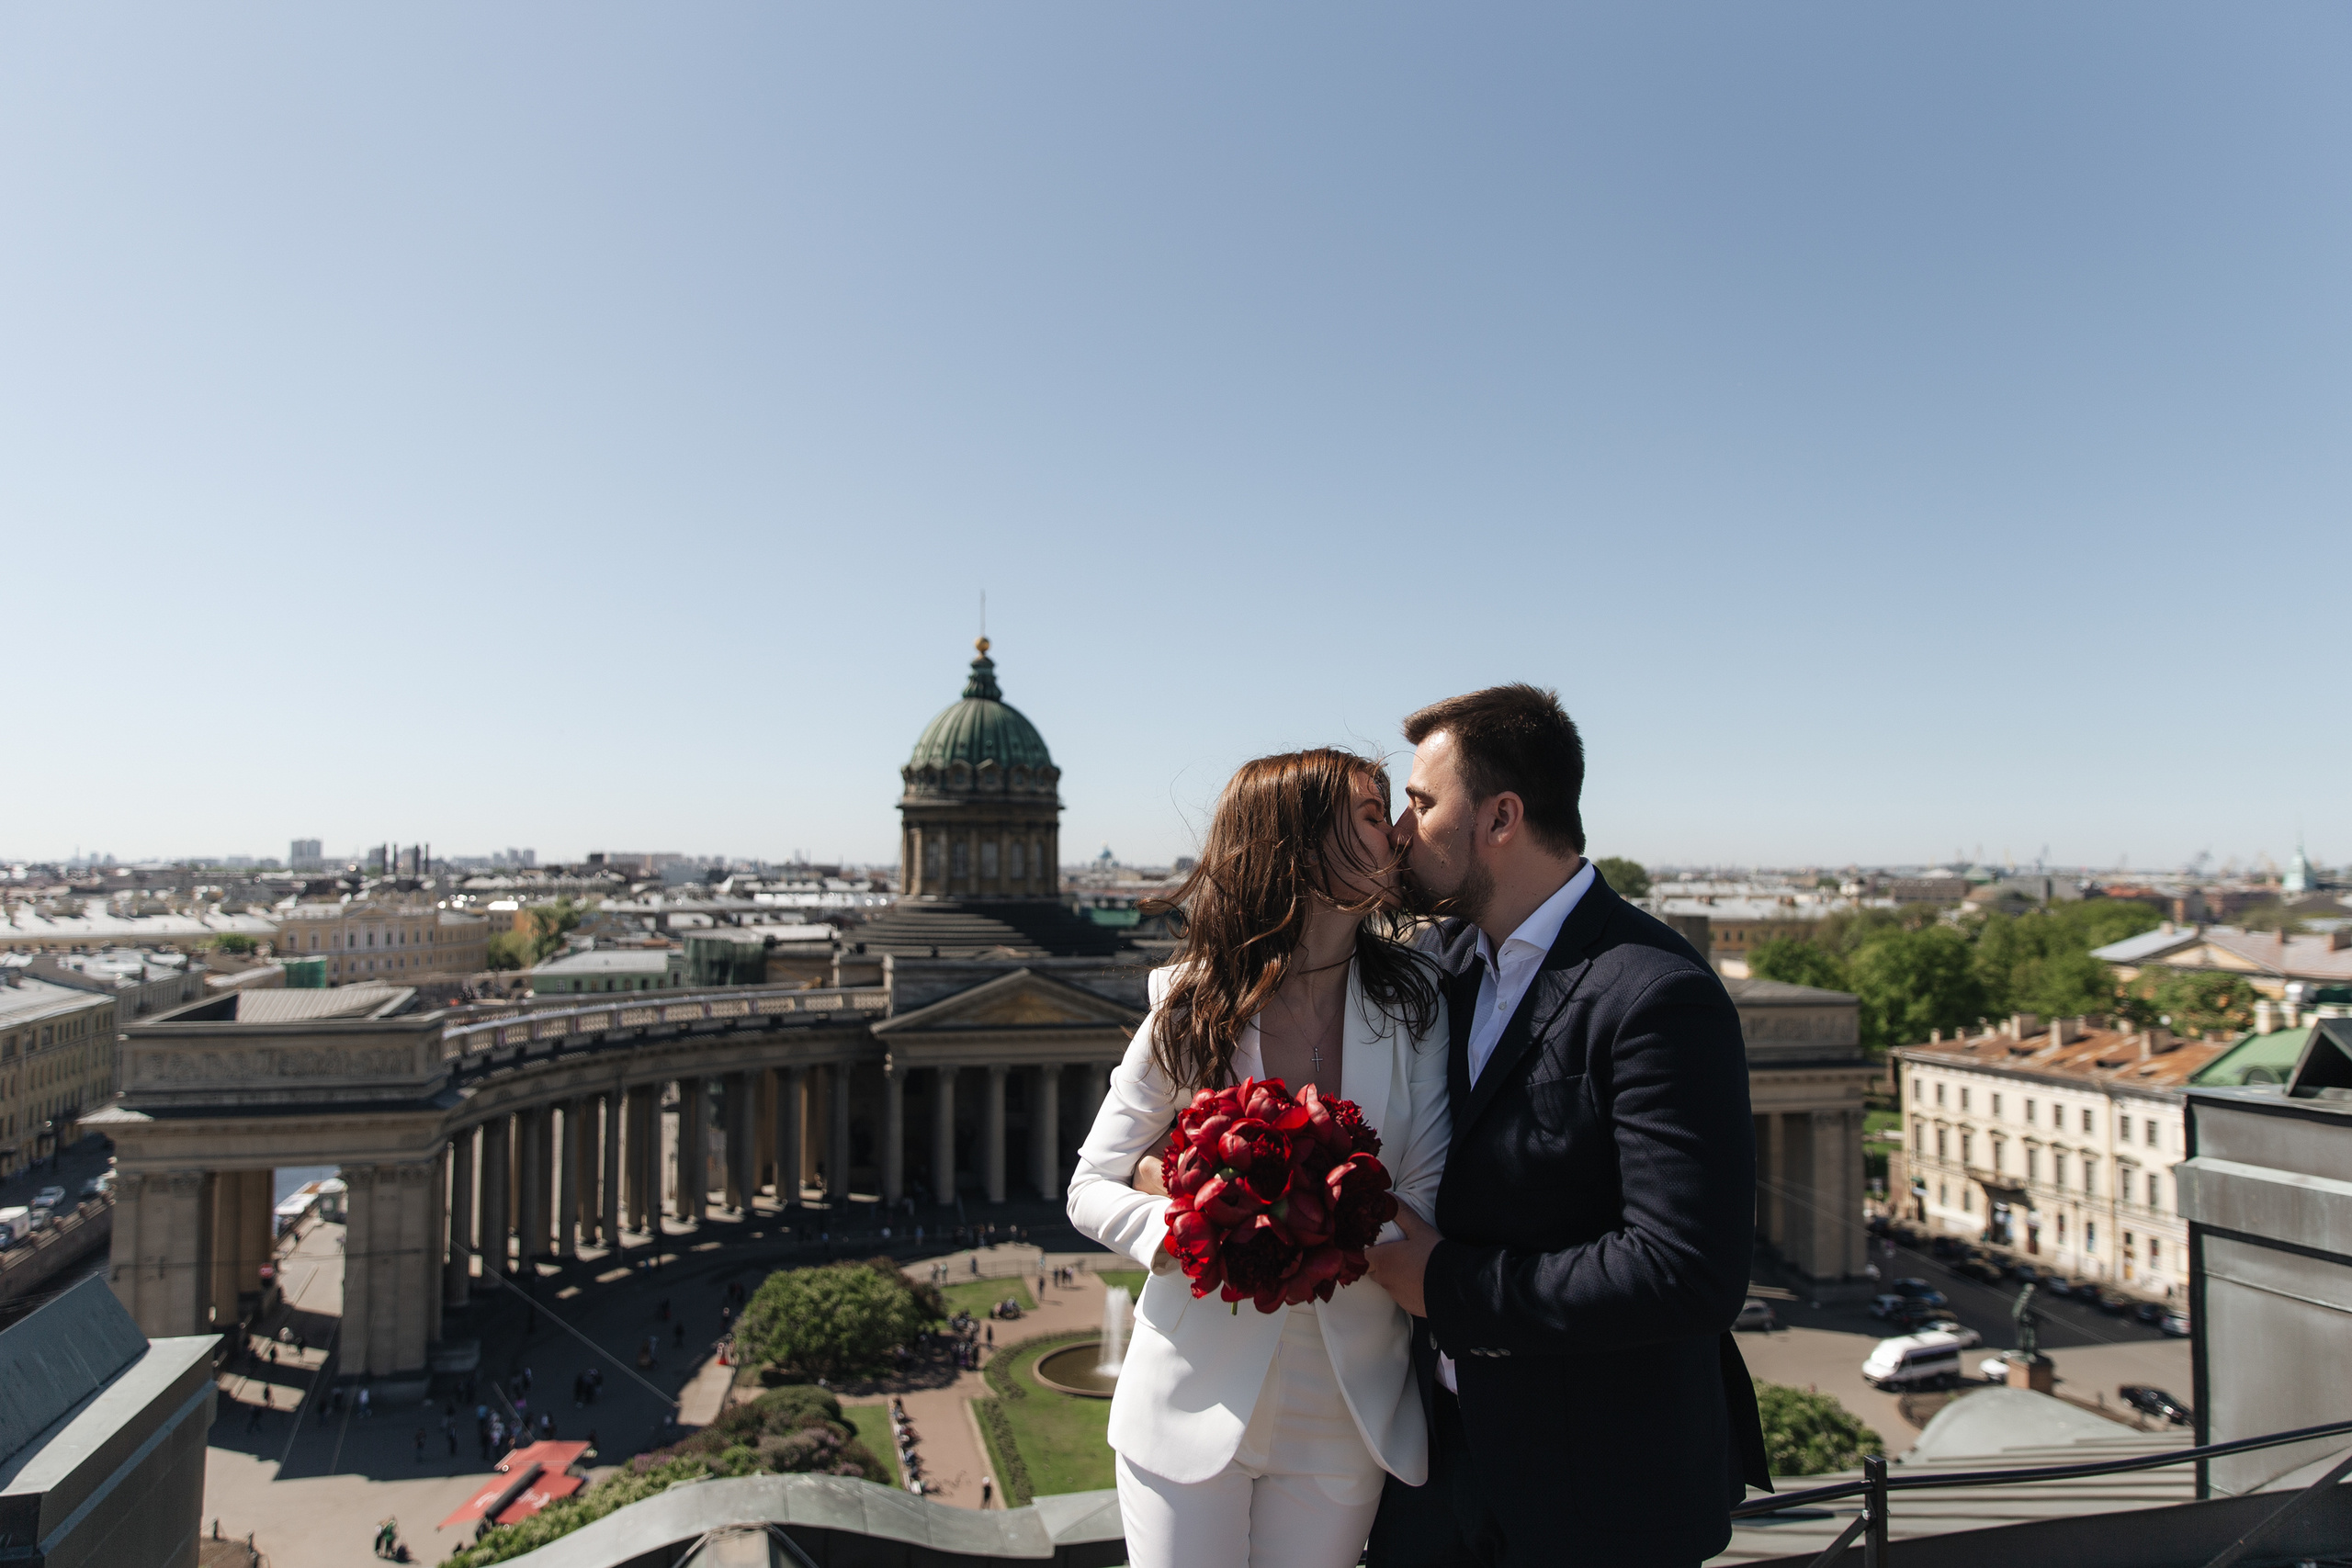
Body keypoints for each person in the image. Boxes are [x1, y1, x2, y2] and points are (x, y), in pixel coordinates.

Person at [1360, 685, 1769, 1568]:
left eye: (1421, 803)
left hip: (1599, 1495)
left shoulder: (1655, 991)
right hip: (1436, 1470)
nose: (1398, 830)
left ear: (1500, 817)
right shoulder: (1440, 964)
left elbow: (1686, 1271)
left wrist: (1451, 1286)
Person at [1067, 749, 1451, 1568]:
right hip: (1187, 1396)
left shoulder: (1418, 1007)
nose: (1398, 834)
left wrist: (1286, 1220)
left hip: (1344, 1409)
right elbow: (1090, 1184)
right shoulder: (1192, 1002)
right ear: (1299, 844)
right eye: (1372, 815)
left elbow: (1423, 1192)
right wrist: (1197, 1230)